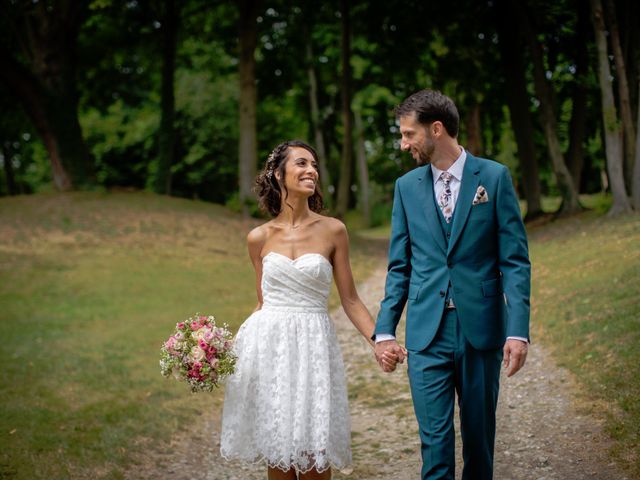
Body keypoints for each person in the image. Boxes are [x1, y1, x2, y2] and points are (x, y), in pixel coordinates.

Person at [220, 140, 403, 480]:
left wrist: (379, 341)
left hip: (313, 347)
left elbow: (349, 299)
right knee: (279, 454)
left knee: (313, 452)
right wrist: (220, 350)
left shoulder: (333, 230)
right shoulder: (258, 238)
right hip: (270, 349)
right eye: (302, 163)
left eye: (314, 165)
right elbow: (263, 302)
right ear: (278, 174)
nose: (312, 171)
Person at [373, 89, 531, 480]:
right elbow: (399, 267)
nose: (404, 143)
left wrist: (519, 332)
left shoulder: (493, 178)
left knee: (479, 444)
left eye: (409, 134)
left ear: (436, 129)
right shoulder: (406, 188)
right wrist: (384, 330)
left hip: (481, 330)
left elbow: (515, 261)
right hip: (427, 335)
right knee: (435, 447)